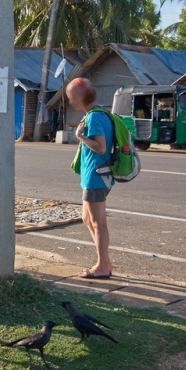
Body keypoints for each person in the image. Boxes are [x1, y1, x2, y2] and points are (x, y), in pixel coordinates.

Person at [67, 78, 114, 279]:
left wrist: (80, 137)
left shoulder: (95, 117)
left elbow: (101, 147)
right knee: (87, 218)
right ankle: (105, 261)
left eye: (71, 97)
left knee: (97, 222)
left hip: (96, 175)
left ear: (81, 97)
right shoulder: (97, 114)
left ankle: (102, 266)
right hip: (93, 175)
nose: (70, 101)